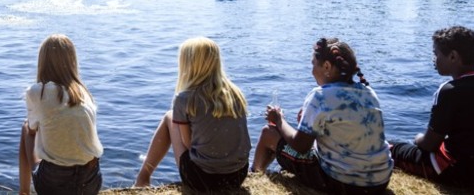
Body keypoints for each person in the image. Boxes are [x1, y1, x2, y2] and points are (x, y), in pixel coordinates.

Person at [251, 37, 392, 194]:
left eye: (313, 64)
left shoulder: (320, 96)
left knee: (268, 134)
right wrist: (308, 121)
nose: (311, 71)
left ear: (326, 66)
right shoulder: (369, 92)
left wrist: (278, 119)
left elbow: (301, 146)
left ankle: (255, 176)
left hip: (343, 184)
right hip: (380, 181)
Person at [389, 26, 474, 190]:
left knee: (391, 148)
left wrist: (417, 138)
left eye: (436, 54)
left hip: (461, 175)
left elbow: (429, 144)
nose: (433, 59)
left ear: (453, 56)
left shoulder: (449, 90)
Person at [135, 37, 250, 191]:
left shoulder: (184, 98)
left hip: (202, 179)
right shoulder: (235, 93)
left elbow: (188, 144)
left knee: (170, 117)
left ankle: (143, 176)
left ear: (188, 64)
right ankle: (144, 176)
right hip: (237, 176)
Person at [18, 34, 104, 195]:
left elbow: (32, 131)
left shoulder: (38, 92)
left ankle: (23, 192)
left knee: (26, 128)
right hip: (91, 179)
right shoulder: (83, 93)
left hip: (53, 183)